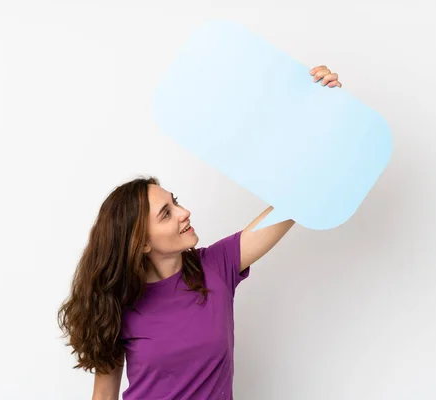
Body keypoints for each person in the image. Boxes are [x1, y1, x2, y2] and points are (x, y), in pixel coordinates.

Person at [57, 65, 342, 399]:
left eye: (174, 202)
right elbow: (103, 397)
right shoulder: (118, 304)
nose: (184, 212)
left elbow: (295, 197)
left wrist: (324, 112)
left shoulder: (217, 266)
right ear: (141, 242)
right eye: (166, 213)